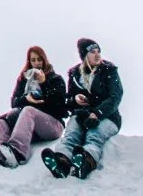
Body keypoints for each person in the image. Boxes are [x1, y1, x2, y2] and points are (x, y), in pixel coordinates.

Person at [41, 39, 122, 180]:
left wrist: (97, 113)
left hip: (108, 117)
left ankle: (85, 163)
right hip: (81, 115)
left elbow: (115, 97)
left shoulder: (109, 70)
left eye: (98, 51)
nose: (97, 55)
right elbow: (68, 101)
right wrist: (75, 99)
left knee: (94, 136)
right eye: (92, 52)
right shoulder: (75, 74)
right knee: (71, 136)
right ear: (84, 55)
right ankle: (61, 162)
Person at [0, 45, 66, 167]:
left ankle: (18, 152)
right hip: (32, 128)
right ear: (29, 62)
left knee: (28, 110)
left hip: (53, 125)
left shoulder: (55, 79)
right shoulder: (23, 80)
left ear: (44, 60)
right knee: (5, 119)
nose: (36, 63)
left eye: (39, 59)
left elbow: (59, 105)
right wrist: (26, 98)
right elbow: (14, 102)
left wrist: (43, 83)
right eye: (33, 60)